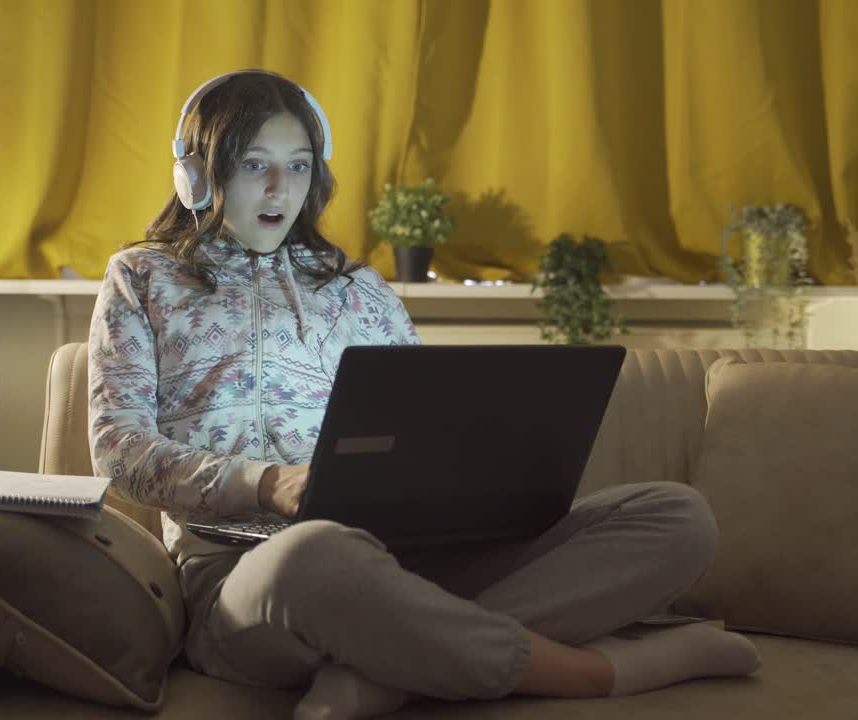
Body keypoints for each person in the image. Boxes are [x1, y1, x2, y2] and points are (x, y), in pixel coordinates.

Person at [88, 69, 760, 720]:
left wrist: (470, 482)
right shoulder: (142, 278)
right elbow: (116, 448)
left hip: (407, 563)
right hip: (255, 577)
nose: (278, 187)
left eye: (297, 166)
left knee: (675, 516)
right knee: (316, 552)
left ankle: (393, 679)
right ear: (199, 176)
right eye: (254, 163)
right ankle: (600, 673)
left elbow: (422, 427)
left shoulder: (359, 289)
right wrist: (268, 483)